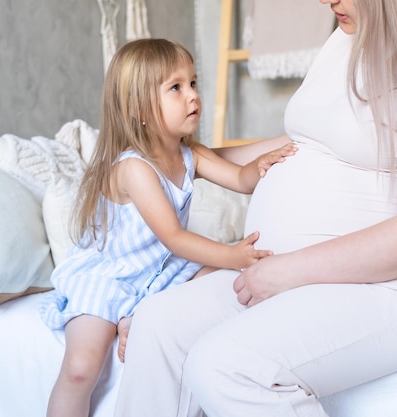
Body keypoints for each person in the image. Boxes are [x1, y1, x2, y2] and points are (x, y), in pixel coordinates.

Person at [113, 0, 397, 416]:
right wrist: (175, 160)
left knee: (227, 366)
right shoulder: (347, 42)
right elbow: (303, 145)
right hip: (302, 271)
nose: (329, 1)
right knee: (157, 323)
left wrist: (289, 271)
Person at [38, 38, 296, 417]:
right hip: (112, 277)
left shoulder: (189, 155)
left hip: (160, 270)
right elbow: (174, 238)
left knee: (232, 288)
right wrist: (232, 253)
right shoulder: (135, 168)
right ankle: (125, 319)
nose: (192, 96)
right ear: (139, 106)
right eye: (175, 88)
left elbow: (240, 179)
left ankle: (135, 320)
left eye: (193, 84)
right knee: (80, 369)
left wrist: (266, 162)